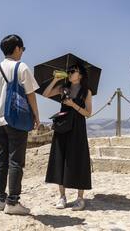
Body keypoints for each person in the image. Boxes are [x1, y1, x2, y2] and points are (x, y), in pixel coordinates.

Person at [0, 34, 40, 215]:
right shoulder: (21, 67)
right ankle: (13, 202)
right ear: (17, 48)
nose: (22, 52)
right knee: (16, 160)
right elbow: (31, 94)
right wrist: (36, 116)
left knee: (1, 160)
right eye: (22, 48)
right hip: (15, 120)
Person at [43, 64, 92, 211]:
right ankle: (62, 197)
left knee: (79, 159)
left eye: (73, 71)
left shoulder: (86, 92)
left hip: (78, 128)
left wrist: (73, 104)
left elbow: (88, 113)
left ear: (80, 75)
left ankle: (80, 198)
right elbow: (46, 94)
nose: (70, 73)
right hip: (63, 126)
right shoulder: (63, 88)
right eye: (69, 71)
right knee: (61, 158)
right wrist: (54, 80)